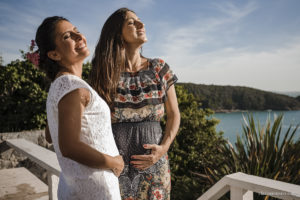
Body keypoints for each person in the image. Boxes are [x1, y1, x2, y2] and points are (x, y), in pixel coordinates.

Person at [90, 8, 180, 199]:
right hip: (115, 168)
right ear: (117, 33)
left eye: (140, 21)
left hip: (155, 166)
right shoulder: (103, 72)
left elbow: (174, 115)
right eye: (132, 22)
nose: (141, 25)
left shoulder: (159, 68)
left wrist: (163, 149)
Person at [35, 16, 124, 200]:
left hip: (76, 186)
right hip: (96, 189)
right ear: (54, 54)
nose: (78, 36)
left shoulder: (59, 86)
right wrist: (113, 162)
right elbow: (69, 147)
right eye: (68, 36)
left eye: (76, 30)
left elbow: (50, 135)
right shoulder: (72, 86)